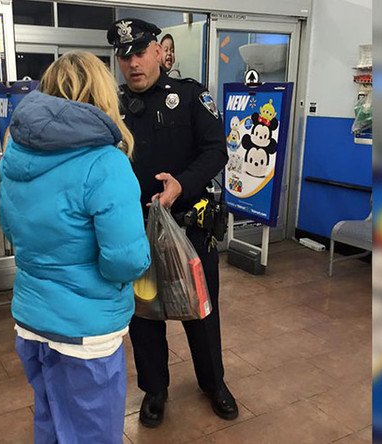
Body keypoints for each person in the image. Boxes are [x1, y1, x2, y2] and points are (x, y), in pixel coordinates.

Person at [0, 51, 151, 443]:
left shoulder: (15, 154)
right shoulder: (105, 163)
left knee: (50, 421)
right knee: (91, 433)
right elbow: (126, 260)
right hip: (86, 332)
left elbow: (13, 233)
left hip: (31, 322)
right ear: (101, 95)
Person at [106, 18, 239, 427]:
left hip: (188, 229)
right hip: (135, 233)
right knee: (144, 316)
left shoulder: (190, 96)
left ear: (159, 54)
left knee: (200, 310)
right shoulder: (110, 106)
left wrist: (182, 185)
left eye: (140, 53)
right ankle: (155, 391)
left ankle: (213, 383)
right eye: (123, 56)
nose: (132, 63)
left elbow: (217, 151)